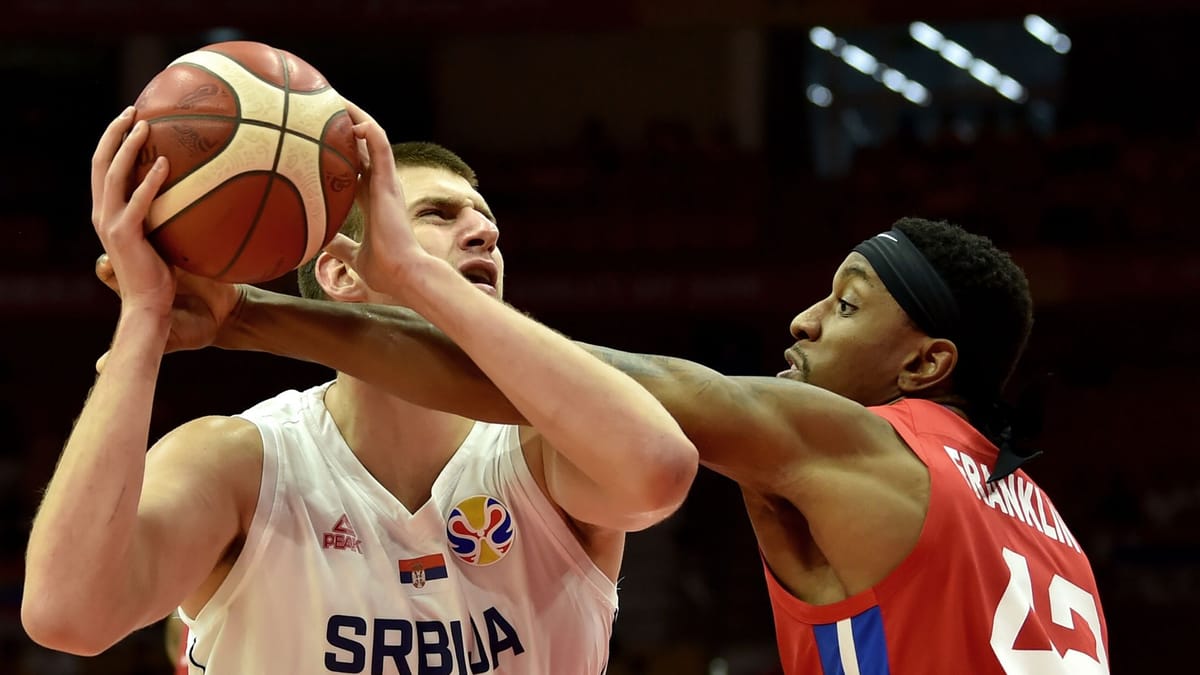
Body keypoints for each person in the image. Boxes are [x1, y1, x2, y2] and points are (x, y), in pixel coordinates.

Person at [80, 120, 1110, 671]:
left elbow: (561, 389)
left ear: (926, 364)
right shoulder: (1047, 530)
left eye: (843, 306)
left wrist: (243, 313)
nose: (800, 323)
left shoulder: (857, 444)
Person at [21, 104, 698, 674]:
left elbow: (658, 469)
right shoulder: (241, 463)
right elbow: (67, 611)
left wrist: (413, 272)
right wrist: (146, 317)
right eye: (435, 213)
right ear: (342, 272)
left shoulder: (541, 457)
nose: (485, 230)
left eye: (485, 218)